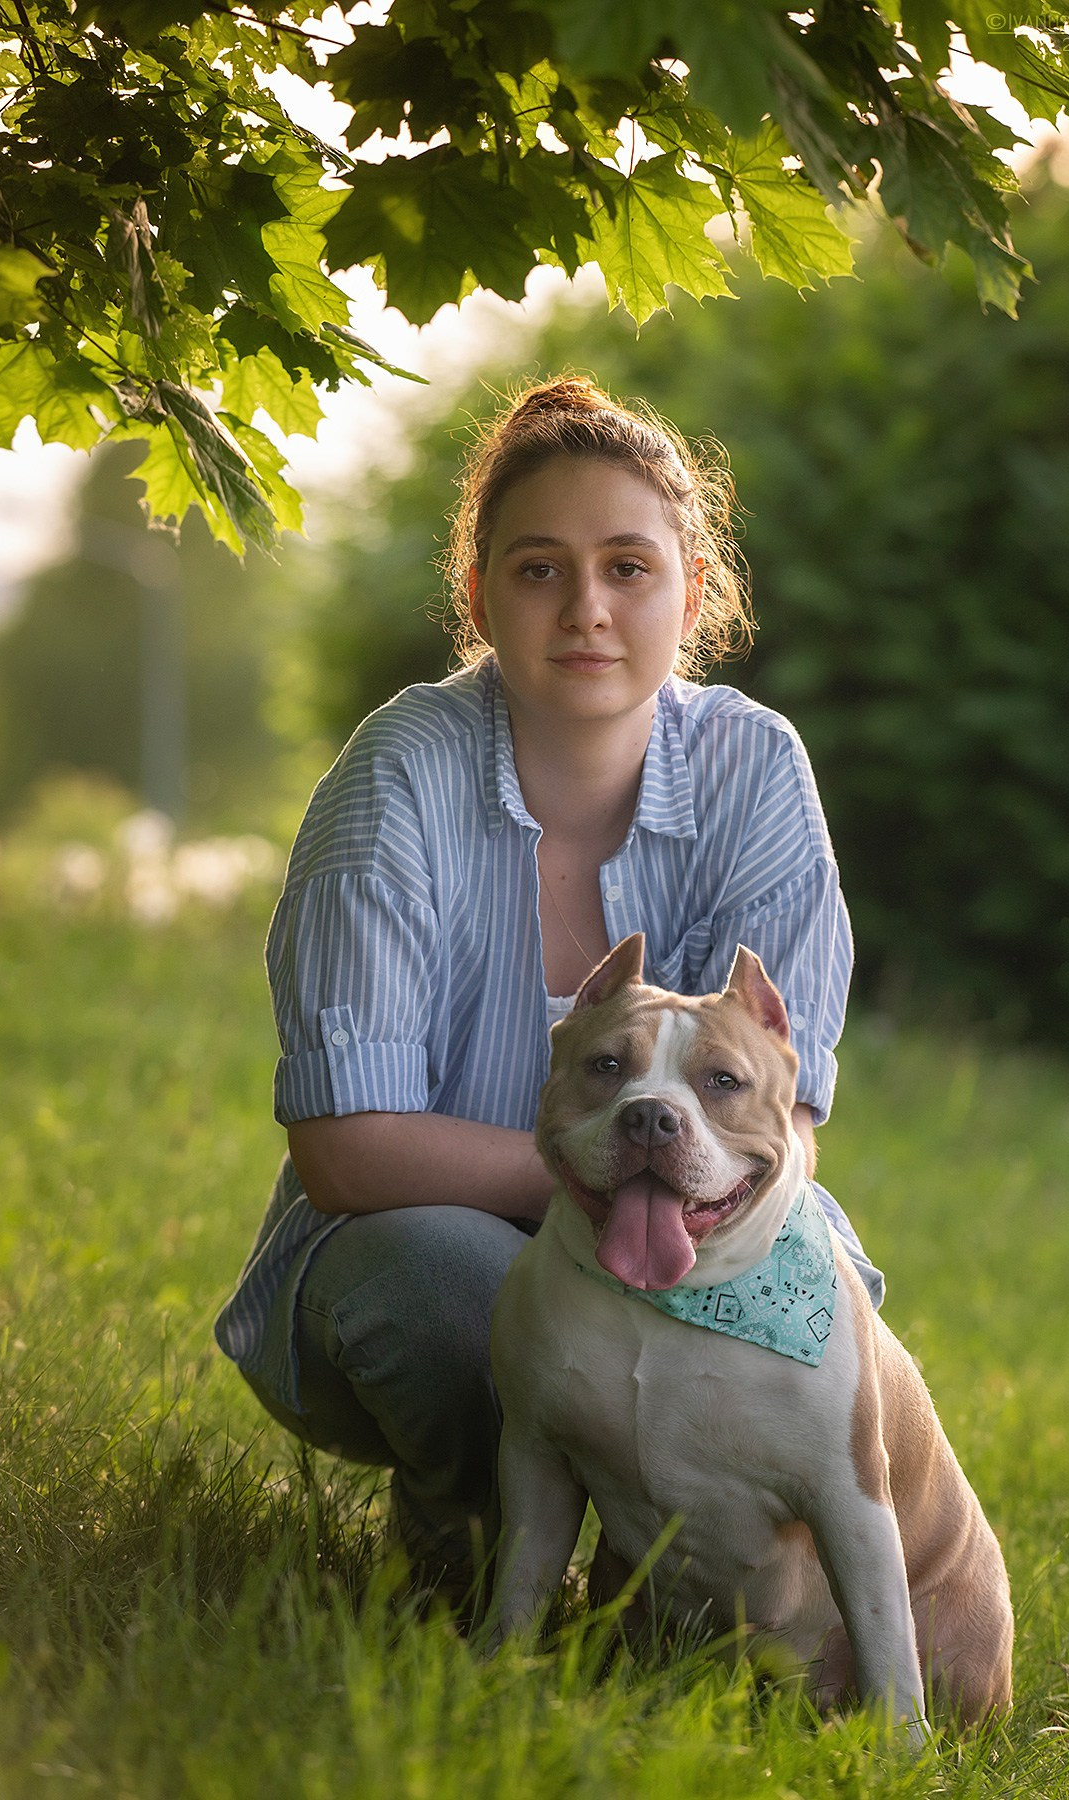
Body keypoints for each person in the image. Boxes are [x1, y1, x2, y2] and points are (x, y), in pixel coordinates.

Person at [214, 376, 884, 1600]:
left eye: (629, 567)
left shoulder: (755, 767)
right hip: (406, 1248)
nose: (587, 610)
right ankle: (459, 1560)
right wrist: (616, 1178)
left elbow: (777, 1126)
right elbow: (349, 1155)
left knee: (825, 1279)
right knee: (451, 1287)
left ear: (693, 589)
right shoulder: (399, 774)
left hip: (687, 1236)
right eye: (539, 570)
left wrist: (648, 1202)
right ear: (479, 597)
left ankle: (672, 1593)